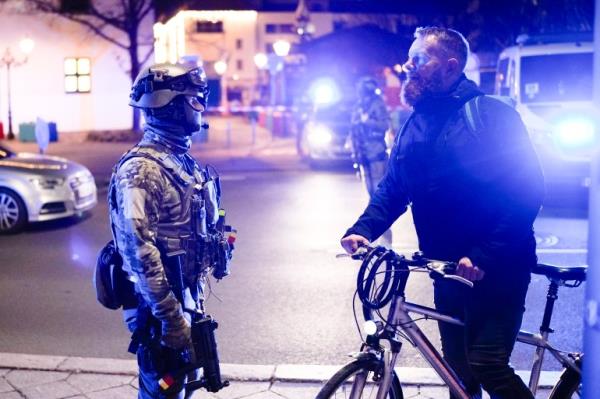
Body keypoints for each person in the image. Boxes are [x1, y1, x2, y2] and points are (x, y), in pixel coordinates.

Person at [341, 27, 544, 399]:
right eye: (409, 58)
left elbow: (526, 191)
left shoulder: (490, 116)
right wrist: (363, 230)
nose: (408, 66)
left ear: (450, 66)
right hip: (447, 270)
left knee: (487, 364)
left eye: (418, 59)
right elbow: (395, 187)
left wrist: (483, 255)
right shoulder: (415, 123)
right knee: (457, 375)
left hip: (497, 270)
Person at [108, 62, 231, 399]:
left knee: (181, 388)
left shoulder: (180, 159)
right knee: (163, 391)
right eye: (193, 101)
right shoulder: (143, 170)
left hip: (184, 297)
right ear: (170, 105)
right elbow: (138, 252)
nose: (200, 108)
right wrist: (173, 320)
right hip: (157, 309)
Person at [349, 76, 392, 245]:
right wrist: (354, 152)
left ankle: (380, 233)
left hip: (376, 154)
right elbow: (353, 129)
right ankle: (373, 228)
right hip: (363, 155)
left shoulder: (377, 104)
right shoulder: (359, 105)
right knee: (370, 192)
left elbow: (384, 125)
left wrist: (369, 121)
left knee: (377, 193)